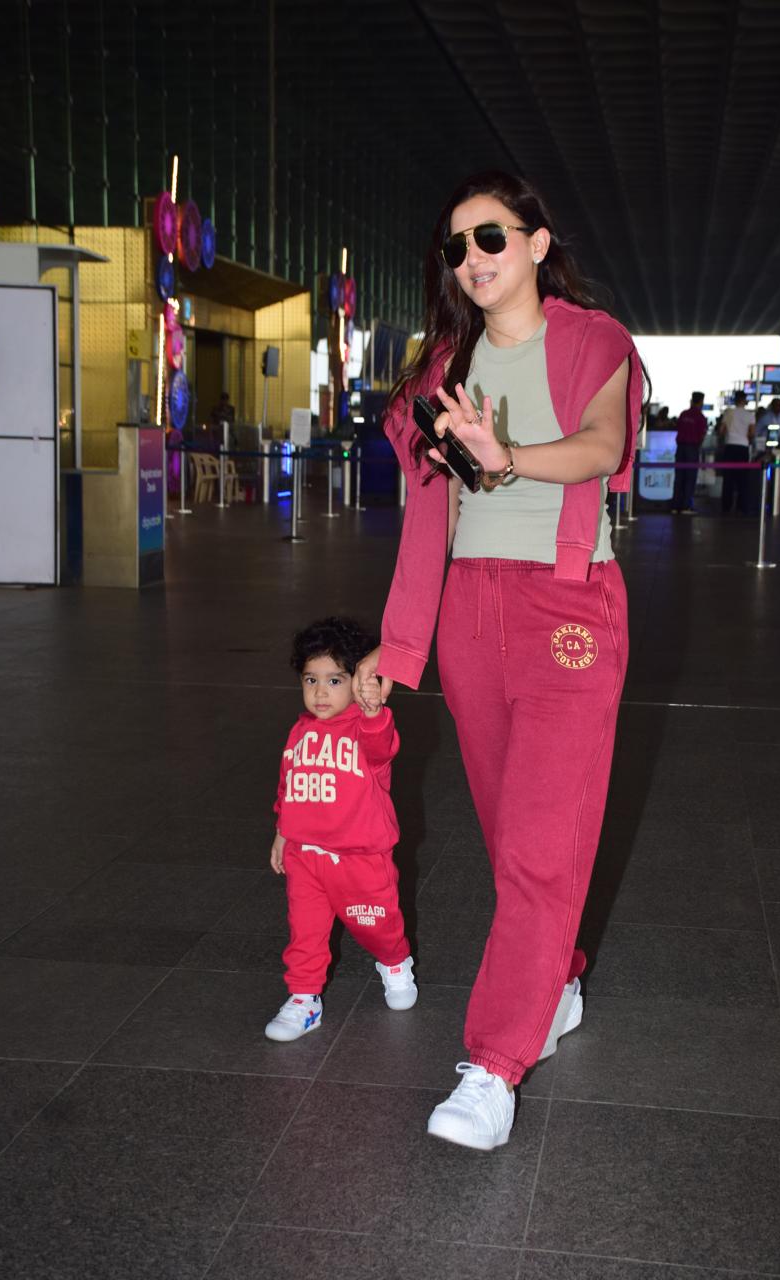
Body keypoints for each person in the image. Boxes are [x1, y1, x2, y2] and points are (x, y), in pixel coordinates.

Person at [354, 171, 645, 1150]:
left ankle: (492, 1065)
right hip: (469, 610)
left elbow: (604, 447)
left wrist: (509, 455)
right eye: (456, 248)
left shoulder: (592, 339)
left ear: (534, 241)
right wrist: (398, 646)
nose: (472, 259)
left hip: (567, 605)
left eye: (489, 237)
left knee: (536, 841)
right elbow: (426, 516)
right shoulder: (446, 362)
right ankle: (557, 974)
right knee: (508, 830)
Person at [265, 617, 417, 1043]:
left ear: (357, 681)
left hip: (360, 859)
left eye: (334, 680)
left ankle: (394, 960)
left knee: (377, 927)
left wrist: (374, 712)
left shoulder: (366, 728)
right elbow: (289, 783)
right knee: (305, 931)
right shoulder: (299, 732)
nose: (319, 691)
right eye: (310, 679)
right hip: (306, 855)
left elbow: (383, 745)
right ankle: (303, 998)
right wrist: (283, 830)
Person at [718, 389, 755, 514]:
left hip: (730, 446)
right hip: (742, 447)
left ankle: (726, 506)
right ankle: (741, 506)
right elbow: (752, 433)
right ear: (744, 400)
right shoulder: (750, 415)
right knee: (742, 480)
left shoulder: (728, 412)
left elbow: (721, 431)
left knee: (728, 479)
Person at [671, 391, 708, 514]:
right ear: (701, 401)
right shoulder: (701, 417)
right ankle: (686, 506)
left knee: (679, 477)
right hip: (692, 448)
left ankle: (675, 506)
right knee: (690, 478)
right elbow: (702, 435)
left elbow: (678, 428)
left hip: (680, 448)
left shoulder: (683, 414)